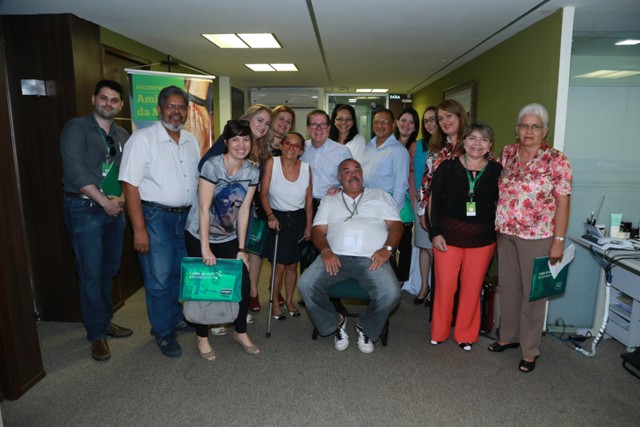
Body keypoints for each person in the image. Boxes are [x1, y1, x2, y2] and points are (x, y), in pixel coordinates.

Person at [489, 103, 571, 373]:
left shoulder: (557, 160)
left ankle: (530, 349)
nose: (529, 131)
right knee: (509, 288)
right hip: (506, 232)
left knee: (533, 296)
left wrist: (558, 241)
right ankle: (508, 336)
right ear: (516, 130)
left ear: (544, 131)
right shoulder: (508, 154)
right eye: (524, 125)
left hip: (537, 236)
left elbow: (562, 202)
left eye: (535, 126)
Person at [119, 85, 200, 358]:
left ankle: (175, 318)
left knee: (179, 275)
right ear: (159, 109)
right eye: (171, 107)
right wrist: (139, 230)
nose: (176, 112)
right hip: (155, 218)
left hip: (184, 219)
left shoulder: (190, 140)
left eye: (181, 107)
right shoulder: (141, 140)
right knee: (158, 279)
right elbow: (129, 186)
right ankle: (163, 332)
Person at [297, 159, 402, 353]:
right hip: (335, 256)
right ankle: (335, 321)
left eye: (357, 170)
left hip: (372, 258)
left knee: (391, 292)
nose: (353, 174)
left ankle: (365, 326)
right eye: (347, 171)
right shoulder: (330, 199)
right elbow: (318, 231)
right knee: (305, 285)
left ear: (362, 174)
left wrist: (387, 249)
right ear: (339, 178)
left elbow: (396, 226)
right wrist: (326, 251)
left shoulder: (380, 196)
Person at [60, 79, 133, 361]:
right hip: (85, 208)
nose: (108, 104)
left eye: (114, 100)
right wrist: (105, 203)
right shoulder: (76, 128)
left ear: (121, 105)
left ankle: (104, 320)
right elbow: (75, 171)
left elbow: (129, 174)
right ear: (93, 99)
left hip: (115, 210)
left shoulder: (123, 135)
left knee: (109, 270)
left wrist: (122, 202)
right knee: (90, 274)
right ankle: (96, 335)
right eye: (104, 98)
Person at [184, 119, 261, 361]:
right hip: (199, 233)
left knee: (243, 283)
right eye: (235, 139)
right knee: (202, 285)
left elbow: (245, 210)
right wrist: (205, 248)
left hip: (228, 235)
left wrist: (242, 248)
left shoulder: (252, 171)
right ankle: (202, 336)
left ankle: (240, 331)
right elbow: (204, 208)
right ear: (226, 142)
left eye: (246, 139)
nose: (241, 144)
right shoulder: (212, 166)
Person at [428, 122, 502, 351]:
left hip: (482, 241)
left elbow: (502, 204)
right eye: (472, 138)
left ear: (490, 145)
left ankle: (465, 335)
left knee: (472, 288)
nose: (477, 144)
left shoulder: (497, 171)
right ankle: (439, 332)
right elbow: (433, 201)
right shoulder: (447, 167)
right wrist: (434, 232)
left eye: (483, 139)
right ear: (463, 141)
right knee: (445, 287)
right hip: (447, 239)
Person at [201, 105, 273, 316]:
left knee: (243, 258)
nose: (263, 126)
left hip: (244, 210)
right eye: (259, 120)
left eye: (267, 123)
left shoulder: (259, 147)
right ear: (247, 119)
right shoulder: (231, 139)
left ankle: (236, 306)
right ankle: (216, 312)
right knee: (220, 263)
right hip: (219, 215)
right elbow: (205, 167)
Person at [260, 132, 312, 319]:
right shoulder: (271, 163)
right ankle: (274, 301)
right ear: (281, 145)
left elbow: (308, 200)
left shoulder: (306, 168)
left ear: (301, 150)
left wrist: (308, 226)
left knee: (293, 266)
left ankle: (289, 300)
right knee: (279, 267)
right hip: (277, 219)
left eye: (296, 145)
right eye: (288, 144)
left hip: (298, 220)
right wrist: (270, 215)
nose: (291, 148)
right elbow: (263, 193)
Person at [299, 110, 351, 273]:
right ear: (308, 128)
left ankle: (333, 295)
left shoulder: (341, 151)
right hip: (305, 206)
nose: (318, 128)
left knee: (330, 247)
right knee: (306, 250)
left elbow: (350, 178)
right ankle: (307, 294)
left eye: (322, 124)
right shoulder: (301, 150)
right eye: (314, 124)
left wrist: (341, 187)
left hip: (330, 205)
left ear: (329, 127)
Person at [361, 108, 410, 281]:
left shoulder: (398, 151)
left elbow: (400, 185)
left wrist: (392, 215)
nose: (380, 126)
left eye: (385, 122)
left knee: (387, 248)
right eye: (376, 122)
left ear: (392, 125)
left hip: (386, 209)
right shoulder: (368, 146)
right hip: (367, 205)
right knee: (371, 244)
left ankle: (391, 285)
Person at [406, 106, 437, 305]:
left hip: (441, 205)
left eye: (433, 119)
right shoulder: (419, 145)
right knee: (424, 247)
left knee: (435, 248)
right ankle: (424, 286)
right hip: (422, 202)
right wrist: (417, 195)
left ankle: (437, 289)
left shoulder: (450, 145)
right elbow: (415, 173)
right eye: (426, 121)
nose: (430, 123)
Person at [393, 107, 420, 284]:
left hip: (410, 198)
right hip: (388, 197)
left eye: (411, 122)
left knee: (405, 241)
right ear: (397, 123)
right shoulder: (387, 144)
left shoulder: (418, 147)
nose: (406, 125)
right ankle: (389, 276)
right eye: (403, 121)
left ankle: (402, 278)